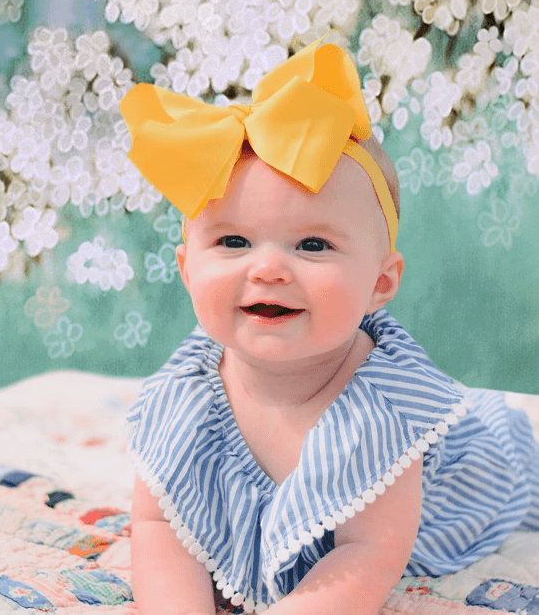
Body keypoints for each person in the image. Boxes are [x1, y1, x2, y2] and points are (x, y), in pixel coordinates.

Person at [120, 35, 539, 615]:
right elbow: (159, 526)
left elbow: (366, 557)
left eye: (312, 244)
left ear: (380, 284)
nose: (267, 268)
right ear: (187, 269)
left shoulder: (384, 413)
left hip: (486, 472)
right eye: (233, 241)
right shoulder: (182, 397)